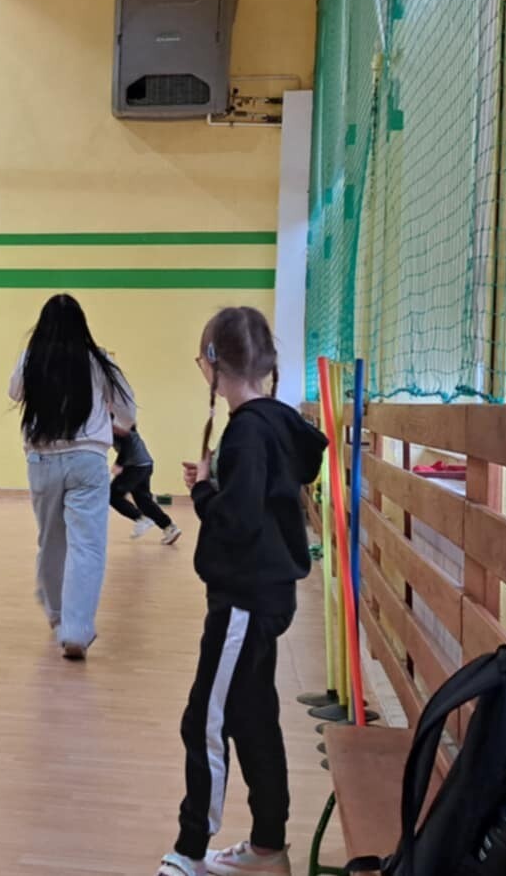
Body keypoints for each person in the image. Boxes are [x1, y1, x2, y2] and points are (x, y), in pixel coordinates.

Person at [155, 306, 325, 876]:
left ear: (213, 363)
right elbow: (258, 501)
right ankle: (268, 848)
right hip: (263, 596)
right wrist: (215, 484)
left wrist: (206, 494)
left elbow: (240, 520)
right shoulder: (273, 423)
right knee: (252, 715)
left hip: (245, 601)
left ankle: (190, 850)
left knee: (203, 719)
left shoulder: (247, 431)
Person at [9, 294, 134, 660]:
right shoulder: (100, 360)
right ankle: (76, 629)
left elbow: (13, 391)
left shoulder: (31, 359)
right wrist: (111, 420)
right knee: (87, 545)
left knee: (51, 541)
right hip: (88, 460)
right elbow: (128, 411)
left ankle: (57, 615)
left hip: (42, 459)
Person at [111, 424, 182, 545]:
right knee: (144, 501)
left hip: (135, 466)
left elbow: (127, 442)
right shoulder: (123, 422)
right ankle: (169, 528)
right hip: (145, 464)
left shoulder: (116, 424)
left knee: (113, 495)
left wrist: (119, 464)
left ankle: (140, 518)